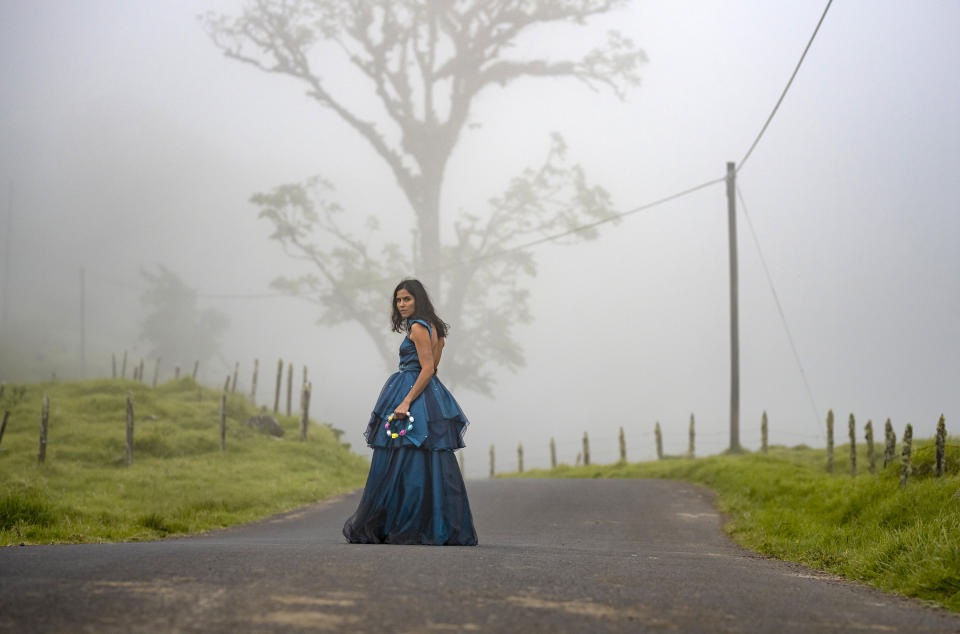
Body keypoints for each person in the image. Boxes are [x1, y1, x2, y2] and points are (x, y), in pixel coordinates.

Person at [342, 279, 478, 545]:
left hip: (413, 391)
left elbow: (428, 369)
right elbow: (434, 368)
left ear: (418, 300)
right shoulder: (434, 327)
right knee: (425, 461)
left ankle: (405, 525)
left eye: (407, 299)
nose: (402, 304)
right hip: (429, 394)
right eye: (398, 300)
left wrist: (405, 402)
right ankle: (432, 525)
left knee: (404, 460)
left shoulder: (418, 327)